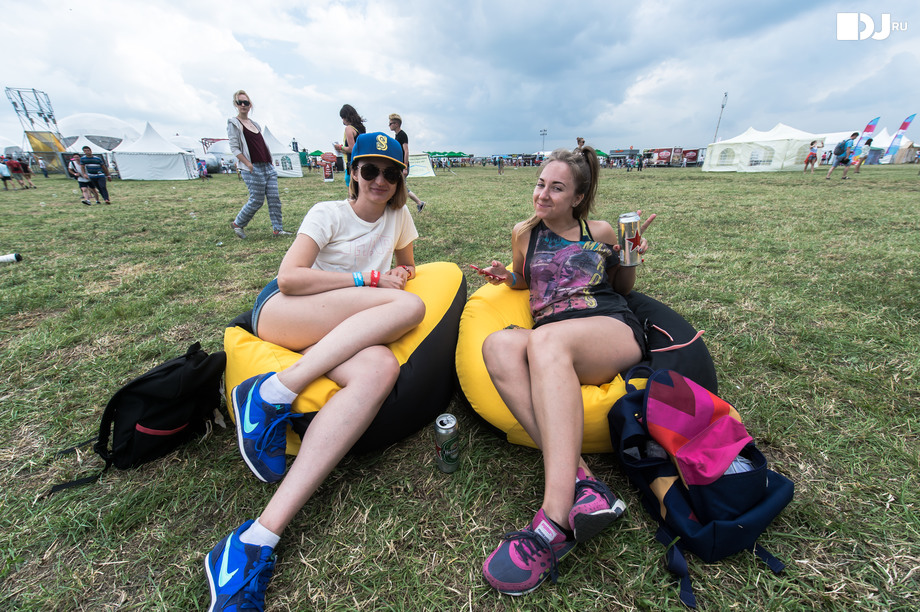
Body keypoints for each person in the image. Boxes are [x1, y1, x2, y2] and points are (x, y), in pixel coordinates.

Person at [205, 132, 424, 611]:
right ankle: (272, 392)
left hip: (336, 330)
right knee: (411, 309)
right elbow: (289, 278)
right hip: (284, 312)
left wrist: (400, 273)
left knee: (380, 367)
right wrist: (369, 279)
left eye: (391, 173)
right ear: (353, 172)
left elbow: (408, 266)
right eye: (370, 169)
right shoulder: (328, 212)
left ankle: (255, 540)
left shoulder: (398, 217)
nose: (380, 180)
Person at [475, 146, 655, 596]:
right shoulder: (524, 233)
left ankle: (554, 523)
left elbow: (621, 289)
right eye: (540, 184)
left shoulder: (599, 231)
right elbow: (525, 278)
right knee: (497, 344)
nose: (543, 194)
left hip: (607, 330)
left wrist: (629, 255)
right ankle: (585, 484)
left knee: (546, 340)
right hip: (551, 343)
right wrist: (505, 277)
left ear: (577, 197)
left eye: (556, 188)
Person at [227, 90, 291, 238]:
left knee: (274, 199)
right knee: (256, 200)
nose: (243, 105)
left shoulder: (255, 124)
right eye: (240, 102)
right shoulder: (234, 124)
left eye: (246, 102)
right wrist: (248, 164)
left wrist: (270, 162)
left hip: (267, 166)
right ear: (236, 104)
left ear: (250, 105)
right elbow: (235, 148)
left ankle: (278, 229)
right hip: (252, 167)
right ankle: (238, 223)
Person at [388, 113, 427, 212]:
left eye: (391, 123)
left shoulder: (402, 135)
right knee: (400, 186)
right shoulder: (397, 135)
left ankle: (418, 203)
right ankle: (418, 203)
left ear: (396, 124)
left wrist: (405, 167)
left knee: (401, 187)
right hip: (399, 165)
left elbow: (406, 151)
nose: (389, 125)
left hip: (403, 166)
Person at [333, 104, 367, 188]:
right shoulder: (361, 128)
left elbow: (352, 149)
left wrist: (340, 147)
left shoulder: (349, 129)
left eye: (342, 118)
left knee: (352, 188)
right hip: (362, 161)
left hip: (352, 163)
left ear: (346, 117)